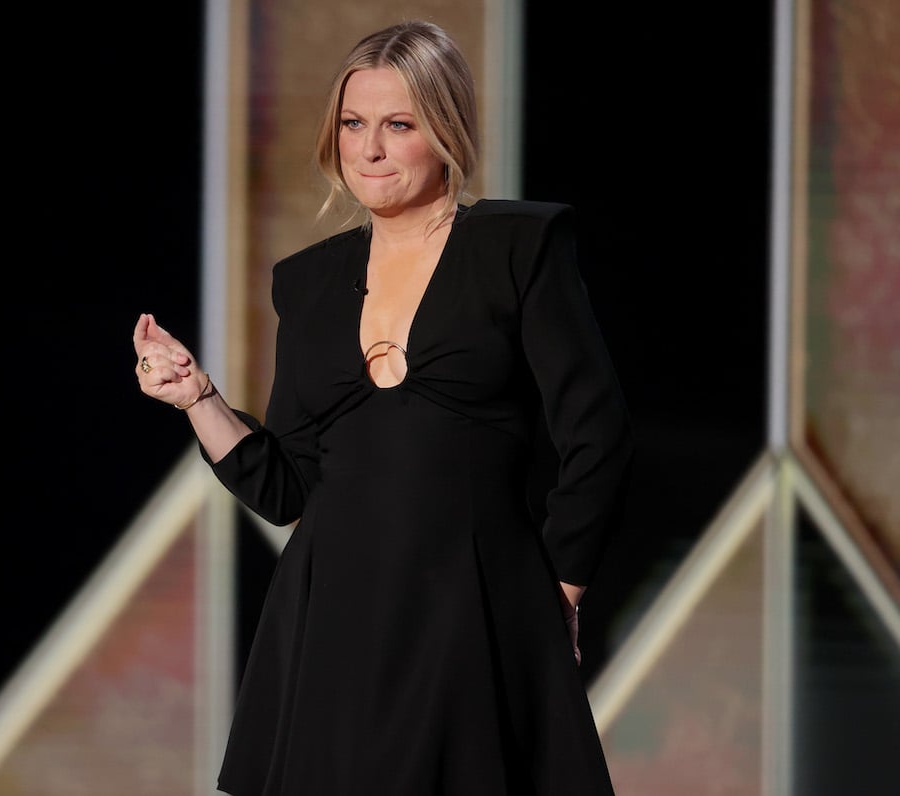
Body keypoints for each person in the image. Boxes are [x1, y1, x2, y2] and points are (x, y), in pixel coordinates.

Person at [133, 19, 632, 796]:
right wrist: (197, 398)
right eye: (352, 124)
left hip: (476, 603)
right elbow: (286, 488)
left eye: (397, 125)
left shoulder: (518, 246)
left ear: (445, 129)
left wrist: (559, 590)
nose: (368, 149)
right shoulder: (307, 283)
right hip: (332, 614)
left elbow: (596, 432)